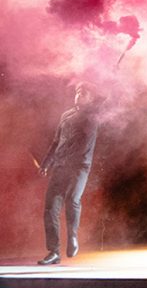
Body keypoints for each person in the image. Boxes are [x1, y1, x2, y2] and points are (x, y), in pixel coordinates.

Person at [37, 81, 102, 265]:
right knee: (50, 208)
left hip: (80, 166)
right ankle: (54, 251)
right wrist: (46, 163)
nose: (79, 95)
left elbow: (106, 95)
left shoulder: (93, 113)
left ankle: (72, 236)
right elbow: (55, 141)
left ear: (91, 97)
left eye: (84, 93)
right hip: (60, 166)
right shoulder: (65, 115)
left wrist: (111, 75)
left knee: (72, 198)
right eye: (77, 92)